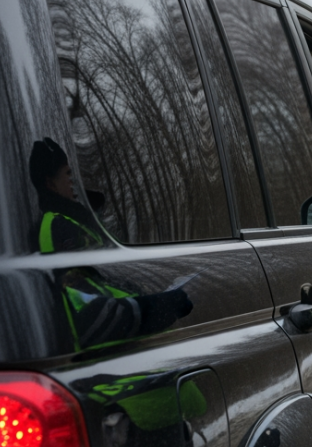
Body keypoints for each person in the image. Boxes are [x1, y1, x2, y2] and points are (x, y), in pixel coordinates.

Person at [29, 138, 192, 350]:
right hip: (122, 377)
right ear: (51, 183)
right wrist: (160, 307)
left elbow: (107, 285)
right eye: (68, 175)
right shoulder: (58, 229)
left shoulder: (74, 225)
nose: (74, 182)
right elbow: (92, 319)